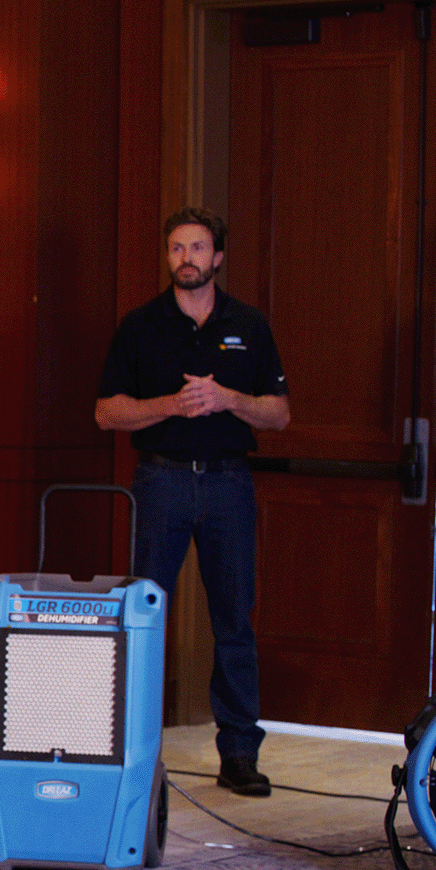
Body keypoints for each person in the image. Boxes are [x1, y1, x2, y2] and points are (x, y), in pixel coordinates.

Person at [95, 207, 289, 796]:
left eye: (198, 248)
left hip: (229, 484)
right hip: (162, 482)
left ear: (218, 257)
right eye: (177, 248)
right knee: (145, 614)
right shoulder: (140, 326)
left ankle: (238, 755)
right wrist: (171, 405)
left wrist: (228, 397)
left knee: (235, 620)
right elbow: (107, 412)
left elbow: (279, 414)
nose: (187, 258)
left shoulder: (249, 326)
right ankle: (134, 749)